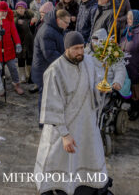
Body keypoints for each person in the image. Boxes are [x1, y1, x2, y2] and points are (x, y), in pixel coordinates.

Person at [34, 31, 111, 195]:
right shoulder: (55, 71)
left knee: (87, 155)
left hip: (87, 123)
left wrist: (102, 87)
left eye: (82, 47)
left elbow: (95, 82)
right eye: (76, 48)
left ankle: (87, 184)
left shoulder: (89, 61)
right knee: (59, 160)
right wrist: (64, 134)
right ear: (67, 48)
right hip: (64, 128)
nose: (80, 52)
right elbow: (51, 105)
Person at [31, 9, 69, 104]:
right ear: (58, 20)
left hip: (49, 68)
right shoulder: (47, 32)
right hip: (43, 70)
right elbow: (50, 54)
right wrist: (67, 61)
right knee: (44, 98)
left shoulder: (56, 28)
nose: (68, 25)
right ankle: (42, 118)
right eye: (66, 22)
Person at [0, 1, 24, 95]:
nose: (4, 13)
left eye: (5, 11)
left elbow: (13, 31)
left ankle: (16, 83)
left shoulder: (9, 18)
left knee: (13, 67)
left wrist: (17, 43)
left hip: (9, 48)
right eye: (2, 11)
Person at [14, 1, 36, 84]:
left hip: (29, 41)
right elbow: (13, 25)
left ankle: (29, 73)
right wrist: (16, 21)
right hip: (20, 42)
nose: (20, 10)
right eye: (18, 8)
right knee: (21, 59)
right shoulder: (15, 18)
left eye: (22, 8)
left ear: (25, 9)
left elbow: (33, 30)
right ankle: (22, 75)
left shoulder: (30, 16)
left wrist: (32, 23)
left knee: (29, 58)